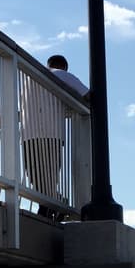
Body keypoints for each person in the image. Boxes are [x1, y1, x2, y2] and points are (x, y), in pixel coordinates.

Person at [22, 54, 88, 216]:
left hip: (28, 134)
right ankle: (53, 206)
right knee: (50, 175)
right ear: (63, 66)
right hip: (52, 134)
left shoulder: (29, 78)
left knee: (36, 177)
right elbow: (87, 95)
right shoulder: (61, 74)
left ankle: (46, 208)